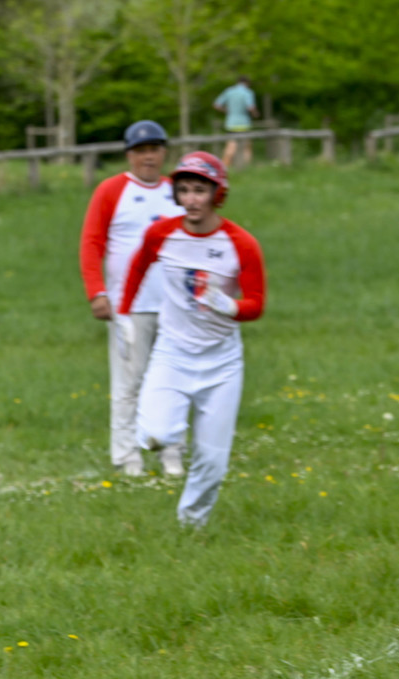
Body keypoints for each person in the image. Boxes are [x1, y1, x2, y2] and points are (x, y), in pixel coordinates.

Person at [119, 152, 266, 528]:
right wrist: (125, 314)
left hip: (222, 361)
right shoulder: (161, 234)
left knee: (213, 460)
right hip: (173, 352)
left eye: (200, 190)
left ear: (218, 193)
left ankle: (190, 526)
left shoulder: (241, 244)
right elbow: (137, 267)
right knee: (155, 433)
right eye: (183, 190)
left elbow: (256, 305)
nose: (191, 199)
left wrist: (229, 306)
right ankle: (167, 433)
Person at [80, 119, 187, 477]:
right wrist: (97, 291)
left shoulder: (177, 190)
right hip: (129, 306)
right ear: (129, 155)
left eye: (154, 150)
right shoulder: (112, 191)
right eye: (141, 151)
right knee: (130, 382)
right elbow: (92, 242)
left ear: (164, 153)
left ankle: (172, 451)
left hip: (173, 304)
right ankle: (127, 456)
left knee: (173, 380)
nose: (148, 157)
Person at [213, 77, 259, 168]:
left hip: (231, 123)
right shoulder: (248, 92)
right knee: (246, 146)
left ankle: (224, 167)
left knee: (230, 146)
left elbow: (217, 105)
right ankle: (246, 167)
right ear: (247, 83)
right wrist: (255, 114)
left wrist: (227, 111)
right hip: (244, 123)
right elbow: (250, 107)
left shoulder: (229, 91)